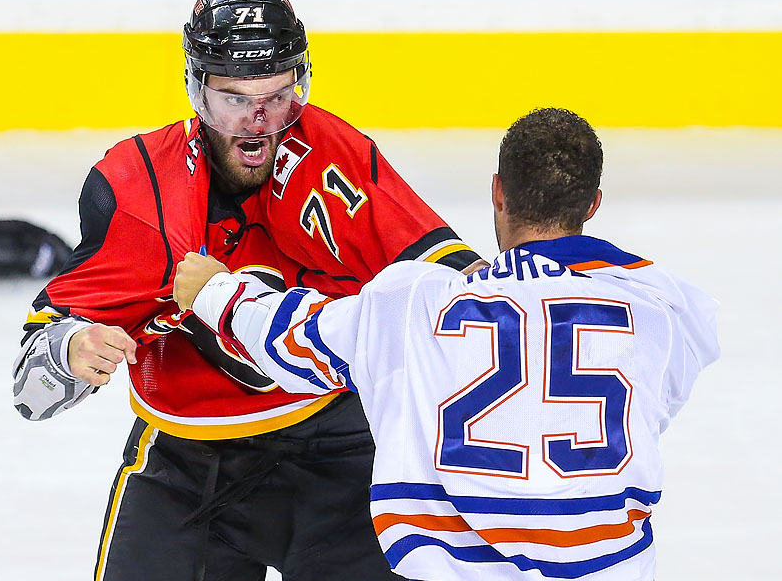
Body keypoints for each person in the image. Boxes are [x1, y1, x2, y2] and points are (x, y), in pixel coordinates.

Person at [11, 0, 480, 580]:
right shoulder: (136, 191)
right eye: (235, 99)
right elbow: (31, 392)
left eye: (278, 96)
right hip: (185, 467)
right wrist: (71, 352)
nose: (259, 122)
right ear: (197, 88)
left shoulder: (335, 160)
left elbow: (461, 291)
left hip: (338, 457)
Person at [173, 108, 721, 581]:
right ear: (594, 204)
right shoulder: (660, 314)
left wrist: (216, 292)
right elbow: (648, 405)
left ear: (497, 192)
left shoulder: (412, 306)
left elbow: (293, 340)